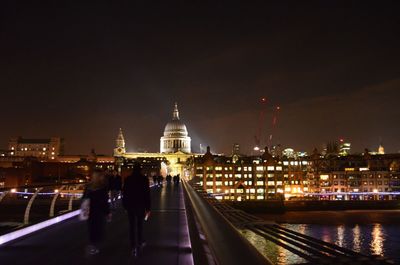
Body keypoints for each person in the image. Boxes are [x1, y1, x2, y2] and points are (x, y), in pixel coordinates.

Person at [122, 163, 151, 257]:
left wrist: (125, 206)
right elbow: (147, 194)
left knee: (131, 225)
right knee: (140, 224)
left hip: (130, 205)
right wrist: (148, 208)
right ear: (140, 170)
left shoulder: (127, 179)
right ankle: (140, 241)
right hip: (141, 205)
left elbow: (125, 194)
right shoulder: (144, 179)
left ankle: (133, 245)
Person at [83, 169, 111, 255]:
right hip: (99, 211)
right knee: (98, 228)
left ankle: (92, 245)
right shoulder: (102, 187)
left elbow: (84, 198)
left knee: (91, 228)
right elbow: (104, 201)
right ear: (99, 177)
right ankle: (95, 245)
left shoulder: (88, 187)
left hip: (90, 211)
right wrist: (108, 212)